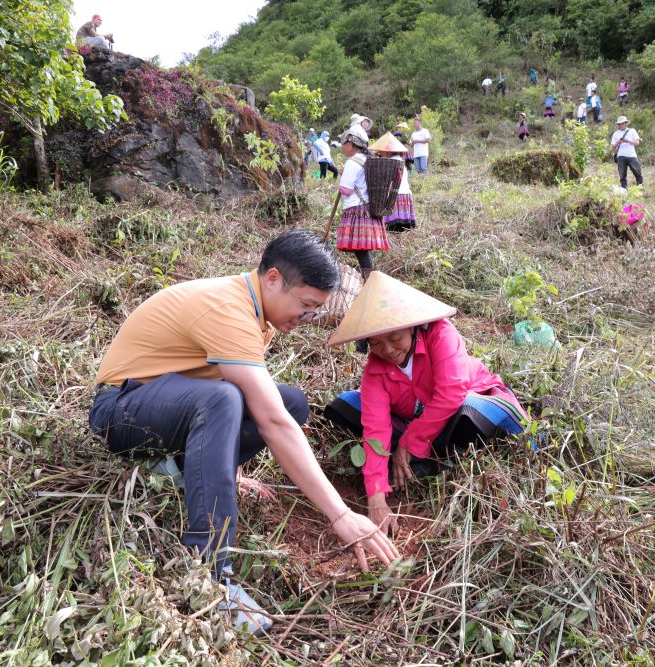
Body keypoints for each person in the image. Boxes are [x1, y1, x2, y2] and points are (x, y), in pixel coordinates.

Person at [89, 230, 401, 634]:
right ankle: (210, 573)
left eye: (315, 312)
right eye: (305, 306)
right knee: (225, 401)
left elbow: (267, 405)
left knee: (290, 401)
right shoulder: (228, 309)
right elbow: (269, 422)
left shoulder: (258, 310)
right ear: (273, 279)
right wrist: (340, 514)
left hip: (163, 406)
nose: (306, 319)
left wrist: (227, 468)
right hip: (120, 412)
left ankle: (189, 468)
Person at [323, 273, 529, 535]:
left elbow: (451, 393)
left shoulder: (440, 334)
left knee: (468, 412)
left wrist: (409, 442)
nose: (387, 349)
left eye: (394, 337)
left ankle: (425, 454)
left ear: (411, 325)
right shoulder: (376, 371)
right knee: (347, 405)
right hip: (419, 419)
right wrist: (376, 499)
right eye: (375, 342)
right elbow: (376, 428)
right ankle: (430, 459)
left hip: (469, 403)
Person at [337, 125, 387, 280]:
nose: (342, 147)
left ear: (351, 144)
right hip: (368, 208)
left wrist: (342, 177)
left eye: (344, 144)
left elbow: (345, 189)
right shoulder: (369, 160)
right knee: (363, 249)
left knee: (361, 249)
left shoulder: (352, 162)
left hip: (356, 210)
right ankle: (370, 278)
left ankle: (370, 280)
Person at [372, 133, 416, 232]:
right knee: (403, 228)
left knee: (394, 228)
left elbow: (387, 181)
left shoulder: (391, 162)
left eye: (381, 150)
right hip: (405, 194)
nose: (380, 152)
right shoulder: (400, 160)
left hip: (395, 196)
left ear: (388, 151)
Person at [610, 116, 643, 189]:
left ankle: (640, 189)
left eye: (622, 123)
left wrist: (627, 140)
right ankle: (624, 190)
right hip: (621, 156)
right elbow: (612, 147)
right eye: (619, 124)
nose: (620, 125)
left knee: (638, 173)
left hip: (631, 155)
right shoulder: (615, 134)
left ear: (626, 123)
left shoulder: (632, 131)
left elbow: (637, 143)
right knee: (622, 175)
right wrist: (618, 141)